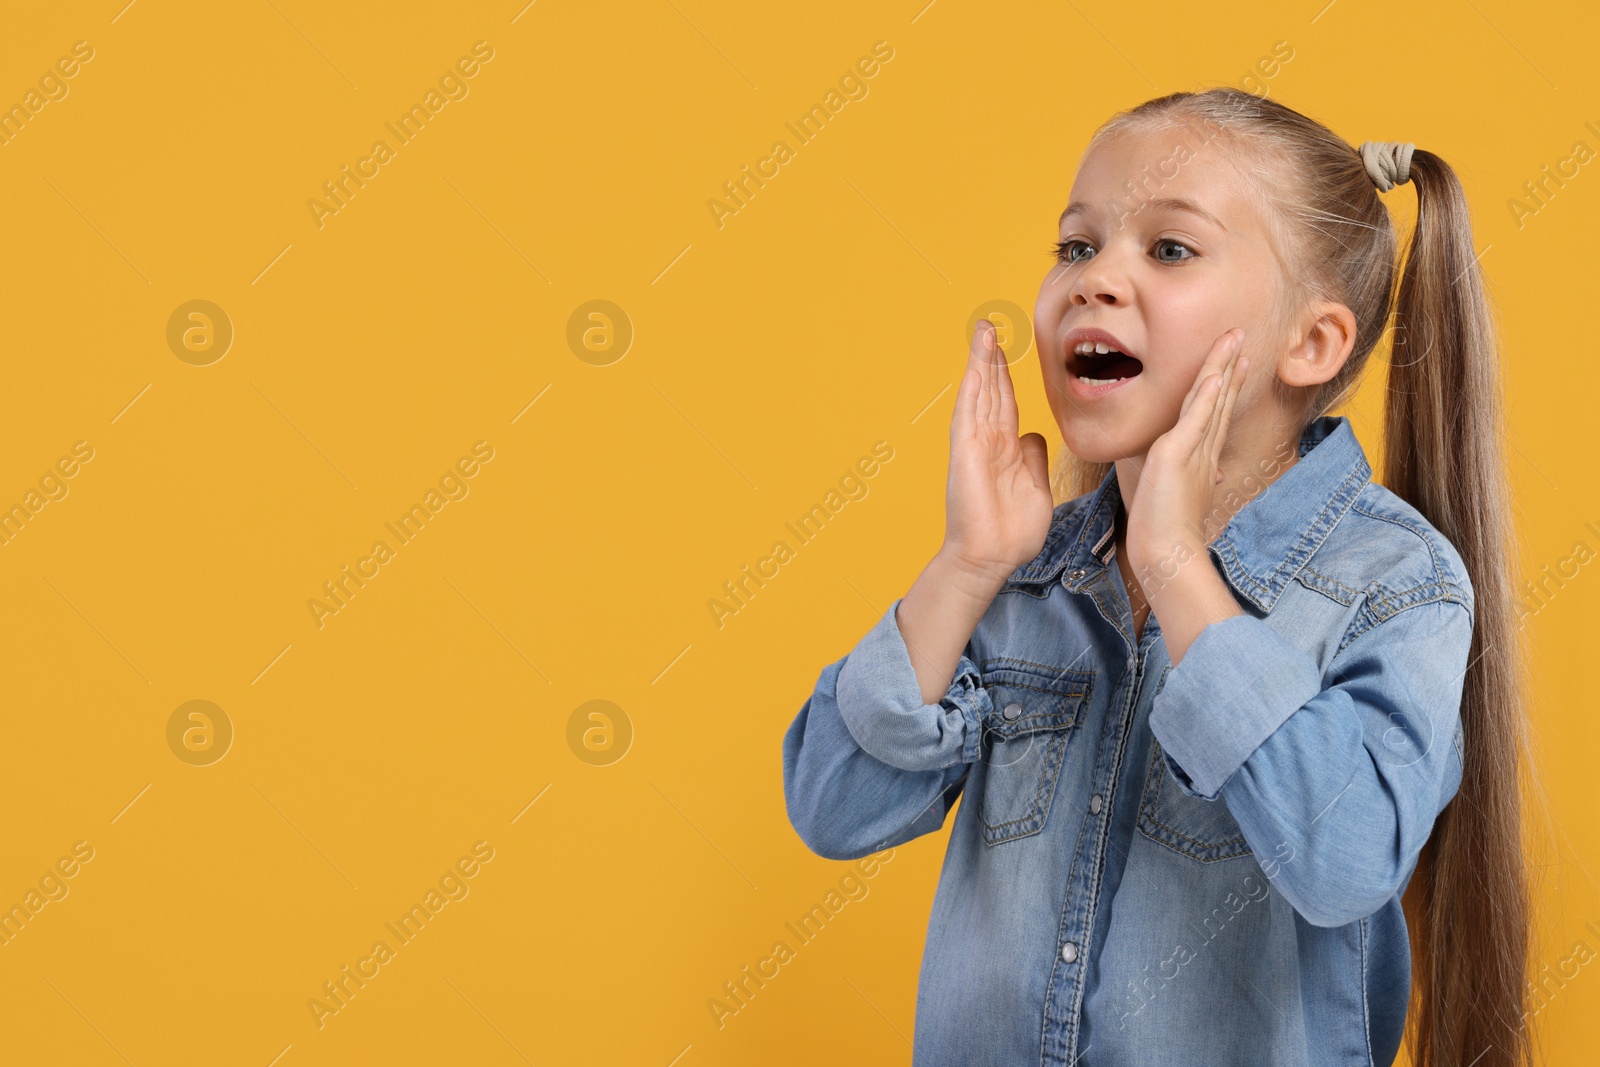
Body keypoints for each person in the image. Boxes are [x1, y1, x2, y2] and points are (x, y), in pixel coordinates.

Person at [781, 87, 1538, 1067]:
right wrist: (966, 564)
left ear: (1311, 342)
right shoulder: (1024, 575)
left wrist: (1177, 566)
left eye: (1169, 249)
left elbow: (1344, 856)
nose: (1094, 281)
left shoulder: (1389, 582)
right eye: (1076, 246)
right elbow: (832, 806)